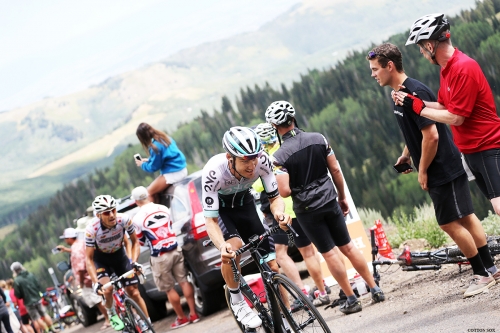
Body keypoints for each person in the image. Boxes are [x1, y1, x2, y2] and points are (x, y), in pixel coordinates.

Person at [367, 43, 498, 297]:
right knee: (466, 217)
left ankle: (482, 274)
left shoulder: (413, 90)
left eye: (375, 69)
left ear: (389, 66)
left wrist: (422, 170)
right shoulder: (398, 93)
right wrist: (406, 155)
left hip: (441, 166)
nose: (373, 74)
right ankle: (491, 269)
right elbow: (416, 130)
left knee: (449, 223)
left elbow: (432, 136)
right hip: (443, 164)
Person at [265, 101, 385, 314]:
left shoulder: (279, 156)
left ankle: (351, 298)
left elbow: (283, 191)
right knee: (348, 246)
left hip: (307, 209)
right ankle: (374, 288)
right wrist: (341, 196)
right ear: (293, 119)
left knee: (329, 254)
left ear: (275, 127)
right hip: (330, 199)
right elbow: (336, 170)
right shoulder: (318, 138)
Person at [394, 13, 500, 217]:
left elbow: (456, 117)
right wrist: (414, 102)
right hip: (470, 151)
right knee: (496, 207)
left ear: (430, 45)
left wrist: (420, 109)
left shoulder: (463, 68)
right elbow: (444, 105)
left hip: (487, 146)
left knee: (498, 205)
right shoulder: (448, 69)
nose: (421, 52)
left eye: (420, 46)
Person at [202, 126, 291, 329]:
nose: (252, 165)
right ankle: (238, 300)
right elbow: (210, 221)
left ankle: (285, 318)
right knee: (233, 248)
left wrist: (279, 214)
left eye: (254, 157)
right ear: (229, 157)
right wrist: (221, 246)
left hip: (246, 205)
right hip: (223, 212)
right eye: (245, 159)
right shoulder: (213, 172)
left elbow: (275, 198)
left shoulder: (263, 162)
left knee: (273, 267)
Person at [252, 122, 331, 306]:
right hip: (300, 207)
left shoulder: (267, 158)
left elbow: (257, 185)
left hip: (281, 212)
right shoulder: (285, 148)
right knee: (308, 251)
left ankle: (301, 291)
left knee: (280, 254)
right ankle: (321, 288)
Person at [131, 186, 200, 329]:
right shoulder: (163, 208)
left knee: (169, 289)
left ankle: (182, 318)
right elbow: (169, 226)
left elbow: (141, 241)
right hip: (175, 249)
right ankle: (193, 314)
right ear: (148, 196)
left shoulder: (137, 219)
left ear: (136, 201)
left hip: (159, 255)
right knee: (184, 281)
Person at [85, 195, 149, 331]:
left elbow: (135, 242)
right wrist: (96, 282)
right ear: (98, 215)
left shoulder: (124, 219)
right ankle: (111, 311)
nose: (112, 215)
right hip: (101, 260)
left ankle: (147, 323)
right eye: (107, 213)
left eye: (113, 210)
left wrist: (134, 262)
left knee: (134, 292)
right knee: (107, 289)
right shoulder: (92, 230)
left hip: (119, 256)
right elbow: (88, 259)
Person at [56, 228, 111, 330]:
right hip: (97, 273)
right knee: (104, 296)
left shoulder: (75, 250)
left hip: (88, 279)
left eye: (65, 238)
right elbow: (80, 252)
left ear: (69, 238)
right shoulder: (81, 243)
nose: (65, 241)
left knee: (97, 301)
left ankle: (108, 319)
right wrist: (65, 250)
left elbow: (81, 269)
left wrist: (81, 282)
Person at [135, 122, 188, 203]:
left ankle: (156, 213)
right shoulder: (164, 138)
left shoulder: (155, 147)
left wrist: (142, 164)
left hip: (173, 173)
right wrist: (149, 160)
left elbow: (154, 167)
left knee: (148, 193)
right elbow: (166, 155)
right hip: (182, 169)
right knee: (156, 191)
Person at [11, 262, 54, 333]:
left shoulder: (17, 281)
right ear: (21, 267)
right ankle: (52, 328)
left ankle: (46, 331)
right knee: (44, 314)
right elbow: (38, 285)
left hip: (28, 302)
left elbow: (18, 294)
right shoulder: (30, 275)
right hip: (37, 298)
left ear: (14, 271)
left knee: (36, 318)